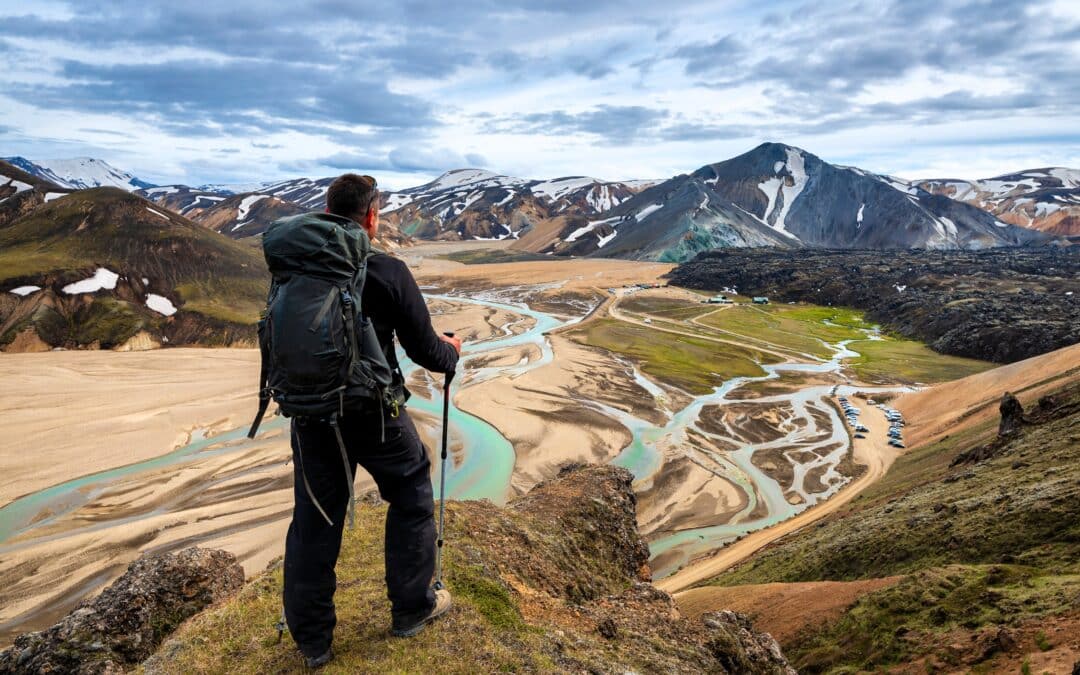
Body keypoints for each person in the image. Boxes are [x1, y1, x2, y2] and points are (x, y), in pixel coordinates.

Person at [282, 173, 461, 668]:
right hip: (373, 412)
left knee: (315, 521)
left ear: (326, 210)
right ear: (371, 216)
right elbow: (427, 351)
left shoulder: (293, 268)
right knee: (412, 493)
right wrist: (452, 351)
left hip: (311, 414)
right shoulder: (386, 270)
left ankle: (313, 642)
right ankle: (412, 608)